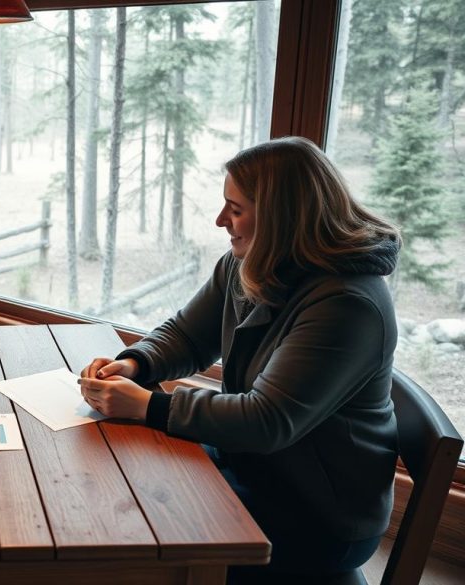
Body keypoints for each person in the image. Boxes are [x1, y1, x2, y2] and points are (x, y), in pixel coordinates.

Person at [79, 136, 401, 582]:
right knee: (127, 488)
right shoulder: (252, 260)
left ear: (279, 217)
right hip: (254, 464)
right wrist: (136, 364)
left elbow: (266, 420)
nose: (220, 220)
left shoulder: (347, 305)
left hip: (317, 513)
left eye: (235, 209)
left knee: (136, 527)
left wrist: (147, 405)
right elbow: (188, 335)